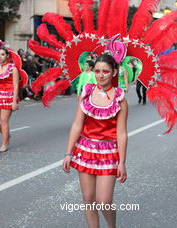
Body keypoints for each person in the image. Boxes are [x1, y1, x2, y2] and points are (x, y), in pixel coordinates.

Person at [62, 53, 128, 228]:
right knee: (88, 199)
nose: (101, 75)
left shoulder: (120, 98)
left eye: (105, 71)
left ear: (114, 72)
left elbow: (121, 133)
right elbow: (77, 125)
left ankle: (112, 226)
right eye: (97, 70)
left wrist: (122, 162)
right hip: (85, 150)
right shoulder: (87, 92)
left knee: (104, 201)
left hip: (109, 153)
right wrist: (68, 153)